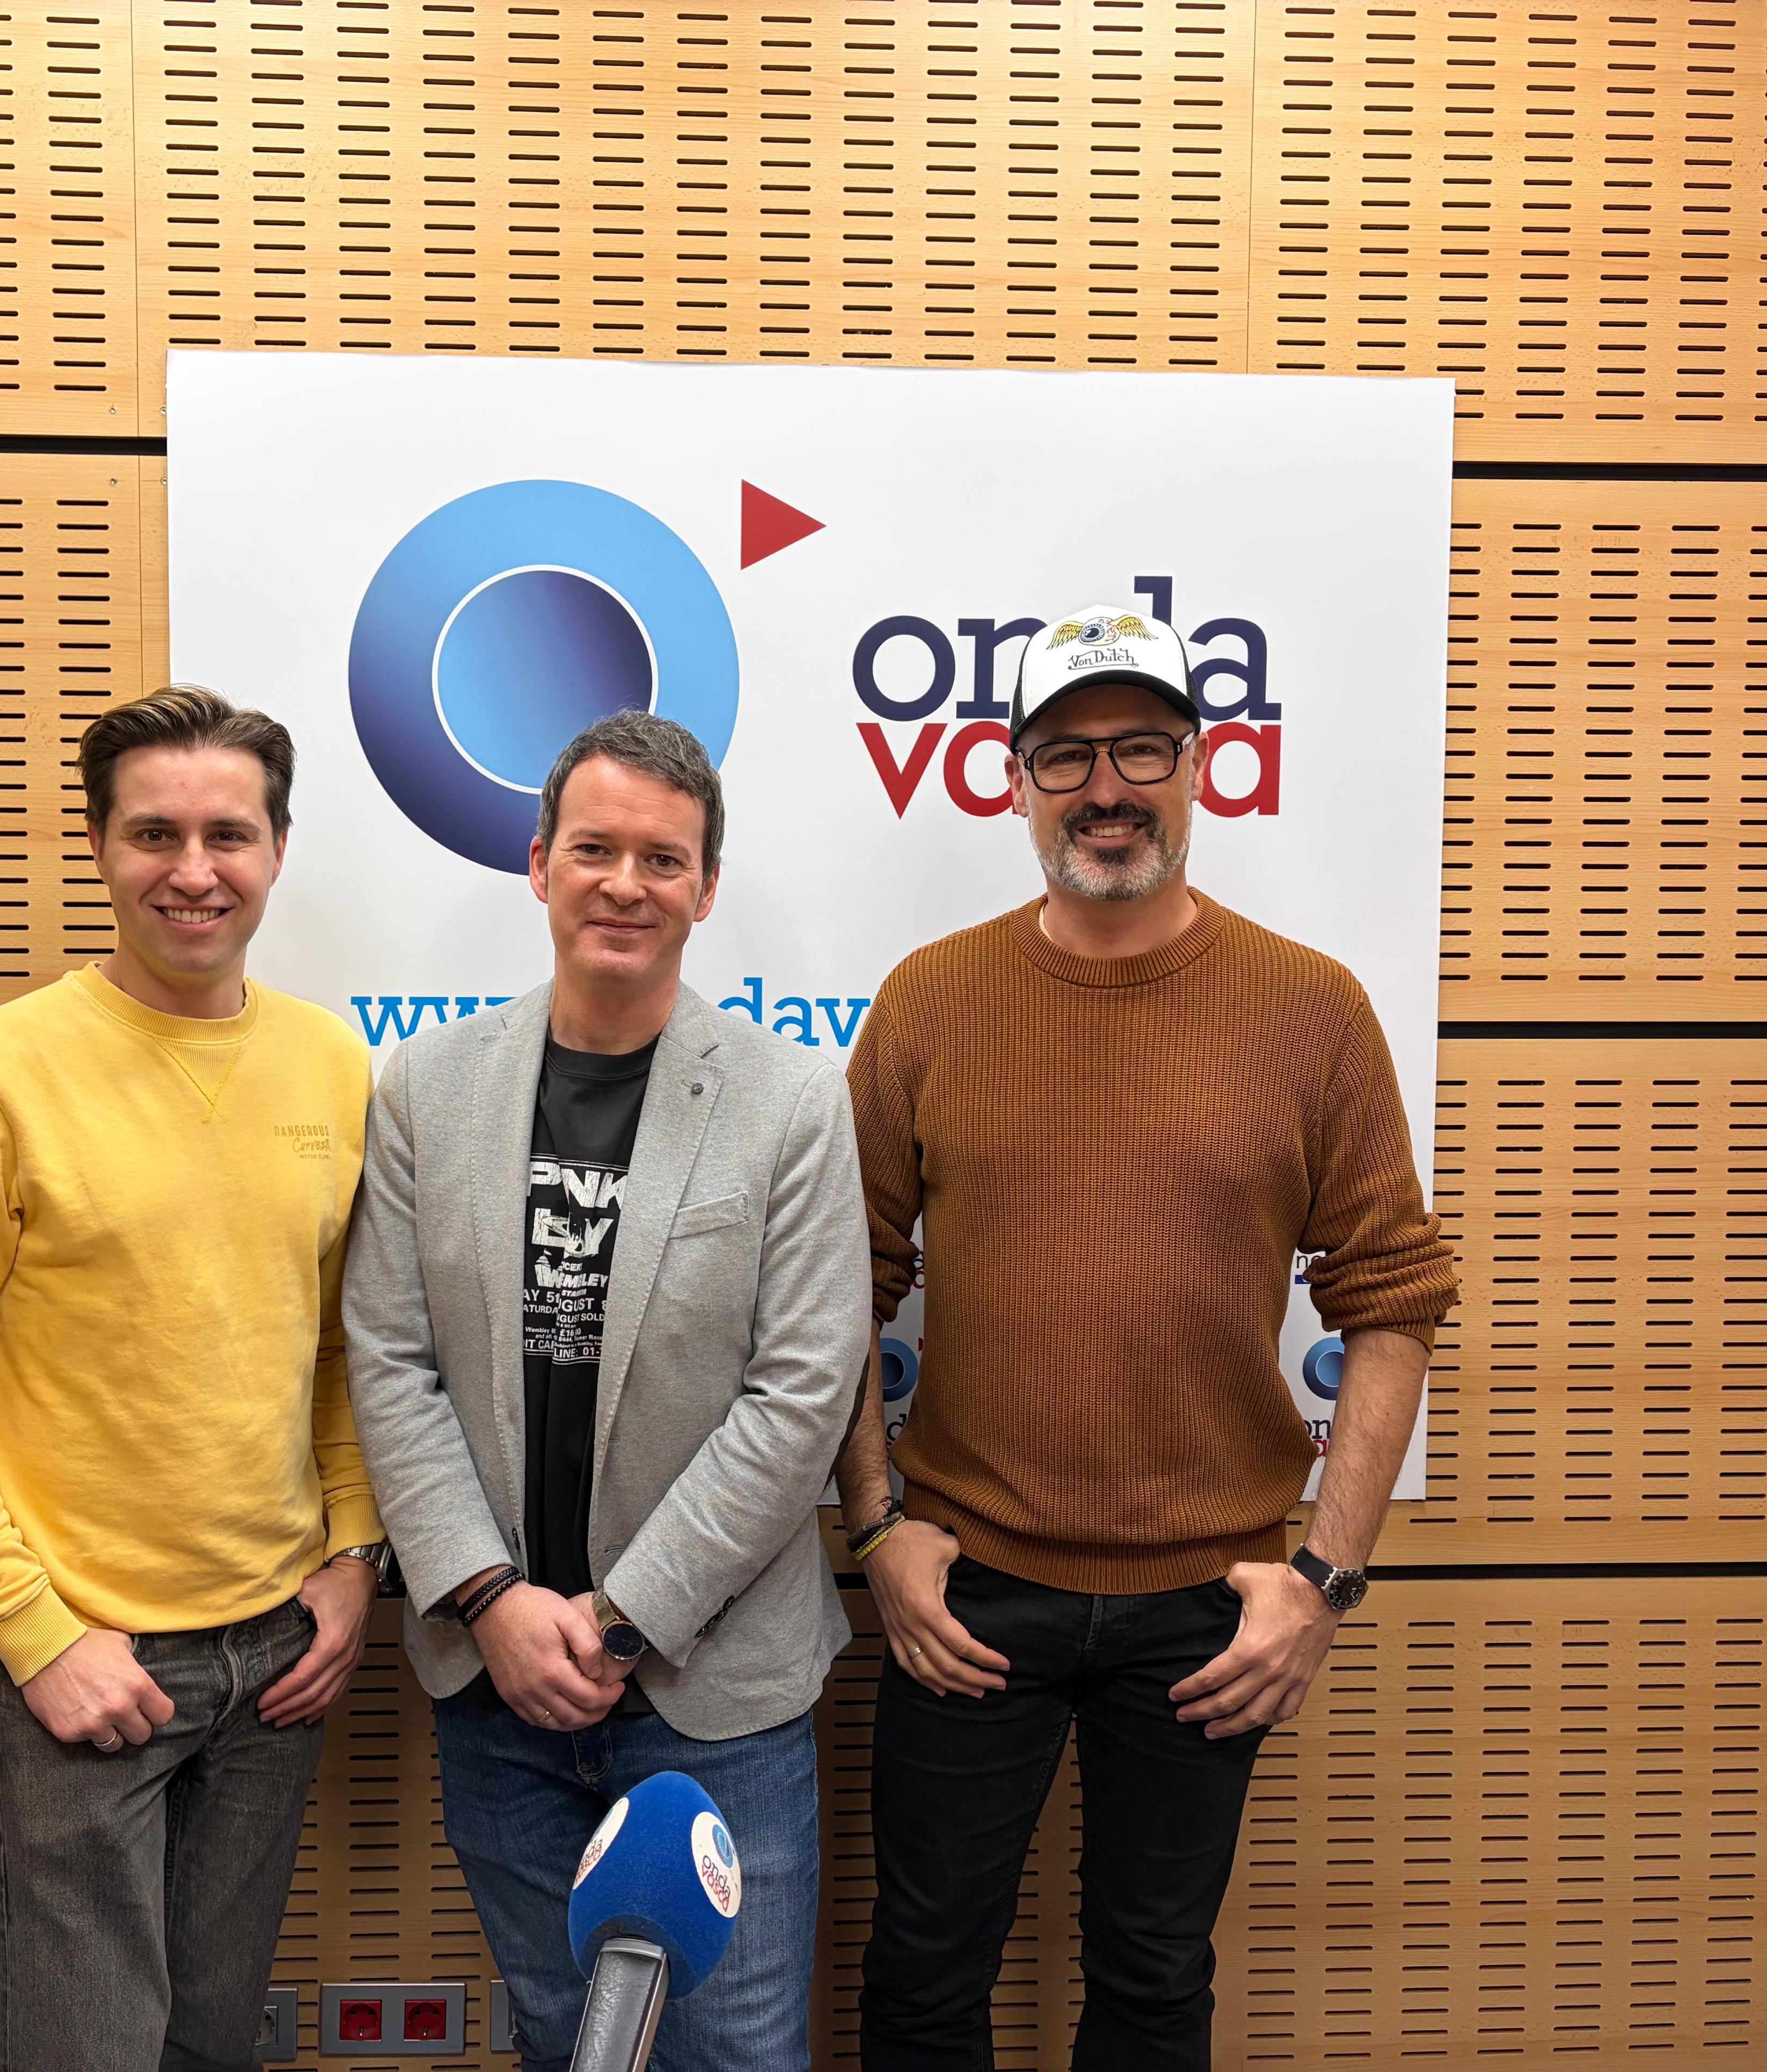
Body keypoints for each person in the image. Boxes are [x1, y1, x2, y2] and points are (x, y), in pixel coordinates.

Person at [836, 607, 1460, 2072]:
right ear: (1012, 781)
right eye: (1065, 755)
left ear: (1202, 764)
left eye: (1140, 749)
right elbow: (838, 1284)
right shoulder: (931, 997)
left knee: (1154, 1980)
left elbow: (1390, 1300)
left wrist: (1322, 1584)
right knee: (921, 1975)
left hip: (1206, 1607)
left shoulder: (1311, 1008)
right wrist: (875, 1527)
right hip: (968, 1590)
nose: (1105, 789)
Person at [0, 685, 391, 2072]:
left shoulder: (332, 1062)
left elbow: (339, 1345)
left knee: (212, 2044)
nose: (192, 871)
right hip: (87, 1661)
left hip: (278, 1657)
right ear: (98, 847)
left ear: (277, 850)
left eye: (228, 835)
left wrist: (352, 1557)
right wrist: (35, 1634)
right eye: (155, 834)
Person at [343, 710, 872, 2072]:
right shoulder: (426, 1089)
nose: (624, 884)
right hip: (498, 1687)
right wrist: (489, 1601)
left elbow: (803, 1392)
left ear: (705, 887)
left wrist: (621, 1620)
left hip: (716, 1691)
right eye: (593, 849)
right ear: (538, 865)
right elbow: (389, 1358)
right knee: (560, 2042)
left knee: (738, 2052)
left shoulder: (791, 1101)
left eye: (661, 859)